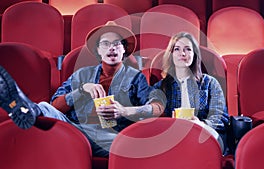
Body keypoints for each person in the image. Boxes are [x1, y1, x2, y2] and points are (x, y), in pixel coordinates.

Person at [0, 21, 165, 158]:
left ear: (124, 51)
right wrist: (81, 90)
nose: (112, 48)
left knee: (134, 147)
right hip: (76, 130)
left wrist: (124, 110)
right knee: (44, 107)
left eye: (117, 44)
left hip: (111, 137)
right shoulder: (81, 75)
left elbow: (157, 107)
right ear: (98, 51)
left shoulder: (136, 77)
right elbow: (56, 107)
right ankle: (24, 109)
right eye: (105, 44)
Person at [153, 32, 229, 153]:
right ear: (171, 54)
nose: (182, 53)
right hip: (172, 139)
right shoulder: (160, 87)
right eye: (177, 49)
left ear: (195, 55)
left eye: (188, 49)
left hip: (204, 135)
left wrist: (201, 125)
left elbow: (221, 117)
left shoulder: (210, 83)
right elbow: (151, 117)